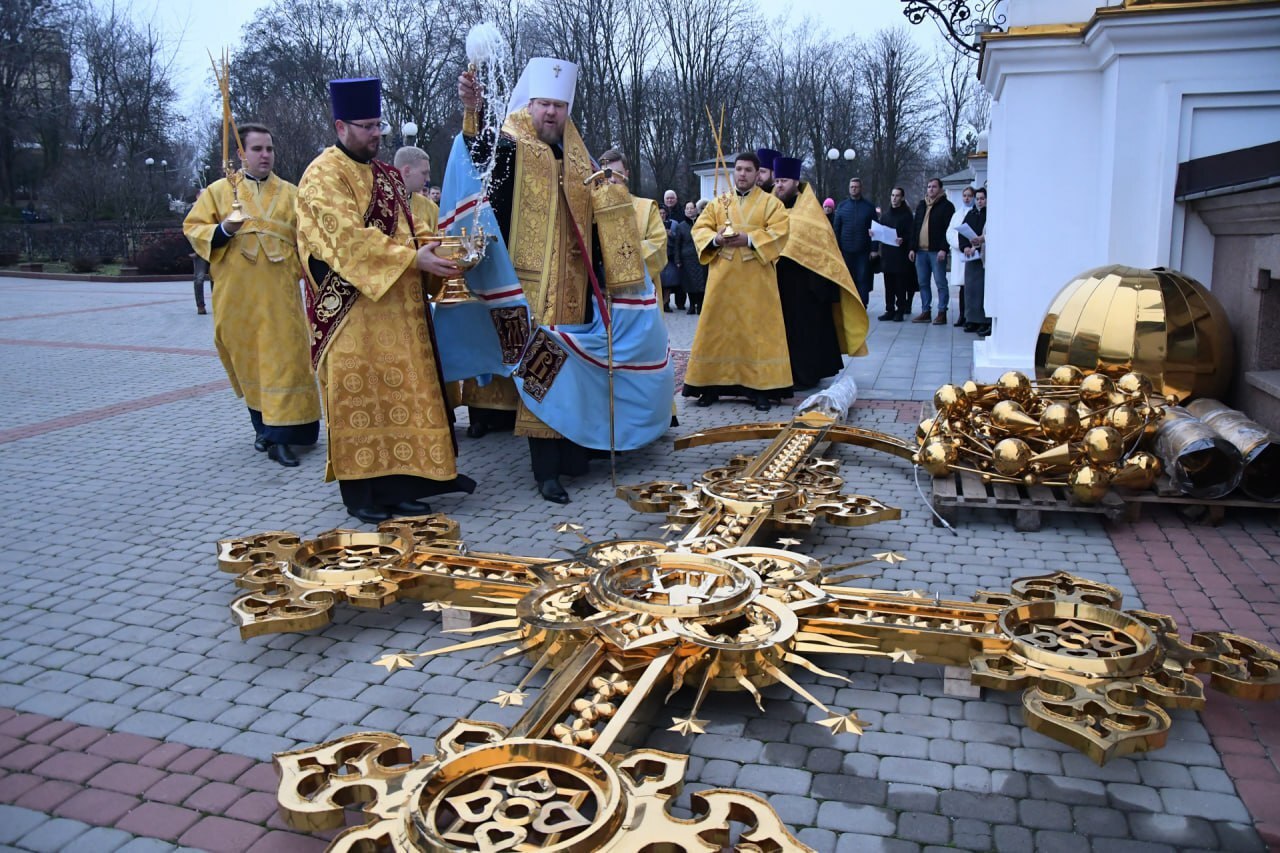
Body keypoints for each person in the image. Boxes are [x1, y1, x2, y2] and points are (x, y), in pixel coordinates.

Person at [450, 58, 673, 504]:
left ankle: (572, 454)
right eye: (544, 104)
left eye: (559, 105)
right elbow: (480, 156)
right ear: (530, 104)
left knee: (572, 371)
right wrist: (473, 111)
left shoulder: (577, 155)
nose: (551, 112)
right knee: (543, 369)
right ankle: (546, 472)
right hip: (528, 288)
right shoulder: (511, 145)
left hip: (576, 288)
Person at [295, 77, 475, 524]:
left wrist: (443, 253)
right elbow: (346, 240)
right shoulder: (322, 175)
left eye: (379, 125)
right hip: (352, 314)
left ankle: (401, 488)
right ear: (341, 127)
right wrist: (414, 258)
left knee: (401, 396)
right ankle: (362, 496)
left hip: (400, 310)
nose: (376, 134)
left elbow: (411, 229)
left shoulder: (386, 176)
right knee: (360, 402)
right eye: (367, 126)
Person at [183, 122, 320, 468]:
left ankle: (281, 438)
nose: (265, 155)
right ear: (241, 153)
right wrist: (223, 230)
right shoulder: (218, 192)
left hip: (280, 299)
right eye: (257, 149)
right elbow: (193, 228)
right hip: (237, 298)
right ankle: (264, 431)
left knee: (285, 363)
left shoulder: (292, 193)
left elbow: (310, 240)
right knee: (251, 363)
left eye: (269, 149)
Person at [682, 152, 790, 412]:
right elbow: (700, 229)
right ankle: (709, 386)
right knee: (717, 332)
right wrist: (717, 240)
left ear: (757, 174)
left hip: (757, 282)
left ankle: (760, 390)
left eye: (748, 170)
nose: (742, 174)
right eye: (738, 169)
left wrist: (749, 240)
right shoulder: (720, 202)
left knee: (756, 334)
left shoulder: (771, 203)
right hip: (723, 280)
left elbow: (780, 232)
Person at [771, 156, 869, 390]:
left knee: (805, 330)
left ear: (795, 182)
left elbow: (822, 243)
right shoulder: (772, 207)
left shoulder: (810, 211)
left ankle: (806, 375)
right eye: (777, 180)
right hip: (778, 278)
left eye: (784, 180)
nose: (779, 185)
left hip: (806, 282)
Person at [599, 148, 672, 308]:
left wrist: (616, 259)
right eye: (607, 174)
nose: (612, 179)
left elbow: (658, 245)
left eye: (618, 173)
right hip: (600, 297)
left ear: (627, 174)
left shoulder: (646, 208)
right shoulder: (590, 211)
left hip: (640, 299)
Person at [909, 177, 955, 325]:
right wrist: (912, 248)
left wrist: (944, 249)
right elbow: (915, 227)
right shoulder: (922, 205)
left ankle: (942, 312)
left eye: (934, 187)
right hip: (920, 251)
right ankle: (925, 311)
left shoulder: (947, 206)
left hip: (936, 251)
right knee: (923, 282)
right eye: (929, 187)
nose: (931, 189)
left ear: (940, 189)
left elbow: (949, 229)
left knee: (940, 282)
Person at [832, 177, 878, 308]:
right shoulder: (842, 206)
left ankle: (862, 305)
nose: (854, 189)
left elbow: (875, 229)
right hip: (846, 250)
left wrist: (874, 249)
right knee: (848, 279)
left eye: (856, 187)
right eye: (852, 187)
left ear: (861, 188)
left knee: (863, 278)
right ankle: (849, 306)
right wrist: (836, 249)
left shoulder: (869, 207)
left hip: (863, 250)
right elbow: (836, 229)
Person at [875, 186, 916, 322]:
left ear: (902, 198)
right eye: (892, 195)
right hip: (887, 255)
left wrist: (903, 239)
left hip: (900, 255)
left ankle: (900, 310)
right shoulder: (886, 215)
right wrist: (874, 233)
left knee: (900, 285)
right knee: (889, 284)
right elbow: (881, 231)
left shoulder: (906, 216)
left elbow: (911, 234)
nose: (894, 198)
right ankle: (889, 309)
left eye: (897, 196)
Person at [961, 186, 989, 336]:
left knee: (981, 291)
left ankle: (982, 321)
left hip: (983, 256)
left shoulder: (989, 214)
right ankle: (970, 319)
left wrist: (977, 245)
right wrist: (965, 247)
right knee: (970, 290)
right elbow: (962, 232)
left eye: (982, 199)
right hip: (970, 256)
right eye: (977, 199)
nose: (979, 201)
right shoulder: (971, 214)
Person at [946, 185, 975, 326]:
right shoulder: (957, 214)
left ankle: (970, 316)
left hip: (972, 252)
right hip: (959, 252)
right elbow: (950, 232)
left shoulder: (975, 213)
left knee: (971, 285)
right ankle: (962, 315)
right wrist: (959, 245)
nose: (967, 198)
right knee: (962, 286)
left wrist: (968, 246)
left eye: (969, 196)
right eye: (964, 196)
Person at [394, 146, 439, 233]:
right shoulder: (379, 204)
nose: (428, 179)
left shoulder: (431, 208)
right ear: (407, 171)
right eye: (424, 173)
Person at [674, 201, 705, 314]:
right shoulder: (681, 226)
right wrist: (677, 260)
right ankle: (692, 305)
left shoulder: (702, 223)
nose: (689, 210)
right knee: (689, 284)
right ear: (684, 211)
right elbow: (677, 244)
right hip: (687, 258)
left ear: (696, 210)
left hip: (701, 256)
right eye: (687, 208)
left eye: (691, 208)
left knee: (701, 283)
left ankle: (700, 305)